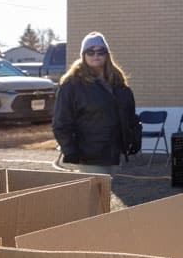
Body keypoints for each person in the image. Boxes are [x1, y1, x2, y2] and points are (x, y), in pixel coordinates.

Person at [52, 32, 141, 174]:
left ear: (107, 55)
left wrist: (135, 136)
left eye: (100, 51)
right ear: (83, 55)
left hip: (113, 153)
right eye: (90, 51)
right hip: (88, 156)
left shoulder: (117, 82)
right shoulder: (72, 84)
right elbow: (60, 122)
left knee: (105, 193)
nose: (95, 55)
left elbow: (130, 114)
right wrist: (70, 150)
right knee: (92, 194)